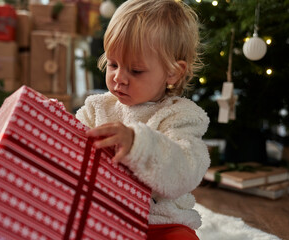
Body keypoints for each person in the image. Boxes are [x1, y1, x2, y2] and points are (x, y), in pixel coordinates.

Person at [75, 0, 210, 239]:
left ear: (173, 72)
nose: (119, 78)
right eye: (113, 64)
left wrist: (139, 145)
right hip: (103, 216)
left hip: (159, 223)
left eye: (135, 71)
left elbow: (186, 172)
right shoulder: (96, 108)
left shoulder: (181, 115)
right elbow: (73, 150)